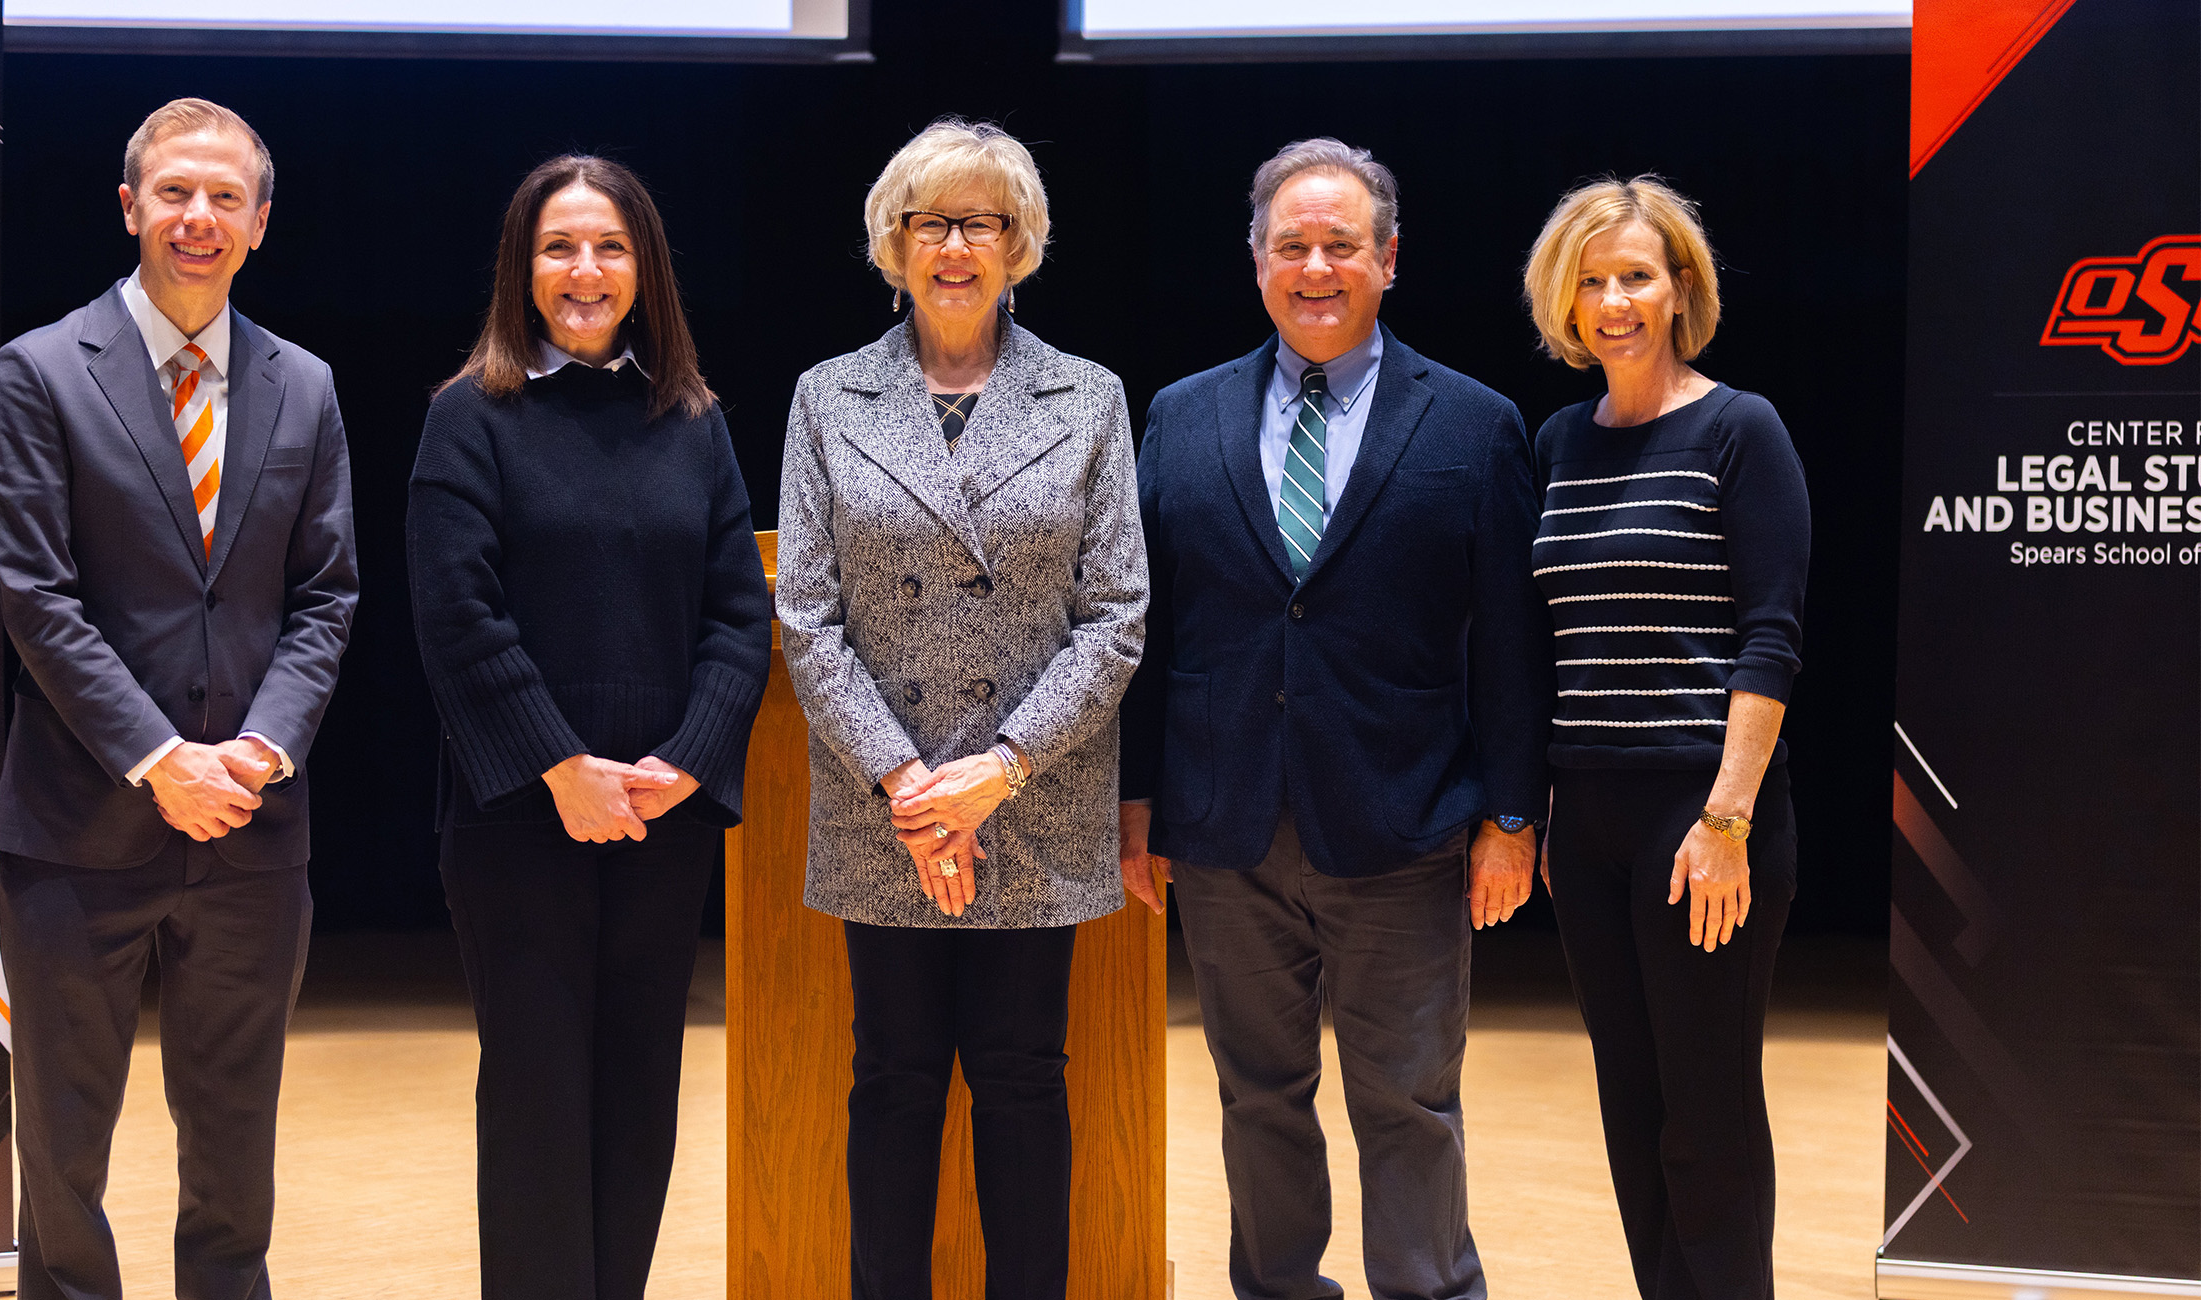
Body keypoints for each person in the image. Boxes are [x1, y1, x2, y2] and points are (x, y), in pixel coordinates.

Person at [1120, 137, 1553, 1300]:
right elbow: (1152, 631)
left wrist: (1512, 814)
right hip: (1223, 828)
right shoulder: (1179, 415)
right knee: (1256, 1094)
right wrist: (1137, 802)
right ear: (1256, 260)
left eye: (1341, 245)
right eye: (1292, 245)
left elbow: (1513, 643)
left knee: (1407, 1099)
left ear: (1389, 259)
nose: (1317, 267)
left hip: (1403, 825)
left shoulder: (1473, 423)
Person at [0, 98, 358, 1300]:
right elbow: (37, 597)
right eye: (173, 193)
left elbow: (327, 597)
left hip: (253, 832)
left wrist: (258, 749)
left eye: (223, 198)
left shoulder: (304, 386)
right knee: (60, 1151)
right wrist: (162, 759)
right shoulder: (42, 368)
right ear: (130, 206)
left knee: (235, 1152)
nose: (197, 217)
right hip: (75, 831)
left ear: (258, 220)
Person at [773, 117, 1147, 1300]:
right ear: (892, 241)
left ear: (1019, 244)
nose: (954, 245)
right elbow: (806, 617)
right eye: (930, 220)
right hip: (885, 803)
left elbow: (1117, 612)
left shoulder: (1087, 397)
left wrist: (1000, 769)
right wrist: (911, 785)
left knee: (1026, 1076)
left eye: (981, 222)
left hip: (1031, 797)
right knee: (889, 1077)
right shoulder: (827, 395)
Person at [407, 154, 768, 1300]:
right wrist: (563, 768)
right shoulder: (470, 417)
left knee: (635, 1104)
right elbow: (457, 616)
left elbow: (738, 614)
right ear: (521, 268)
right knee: (537, 1102)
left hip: (661, 820)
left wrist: (683, 763)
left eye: (608, 247)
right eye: (559, 247)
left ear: (643, 268)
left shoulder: (693, 421)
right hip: (520, 821)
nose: (584, 270)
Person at [1521, 176, 1808, 1300]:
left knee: (1706, 1112)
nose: (1613, 301)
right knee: (1630, 1111)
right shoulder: (1556, 440)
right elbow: (1544, 647)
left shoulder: (1740, 428)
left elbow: (1771, 640)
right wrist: (1541, 816)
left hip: (1704, 817)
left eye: (1635, 275)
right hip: (1586, 822)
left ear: (1680, 287)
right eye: (1590, 281)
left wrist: (1727, 819)